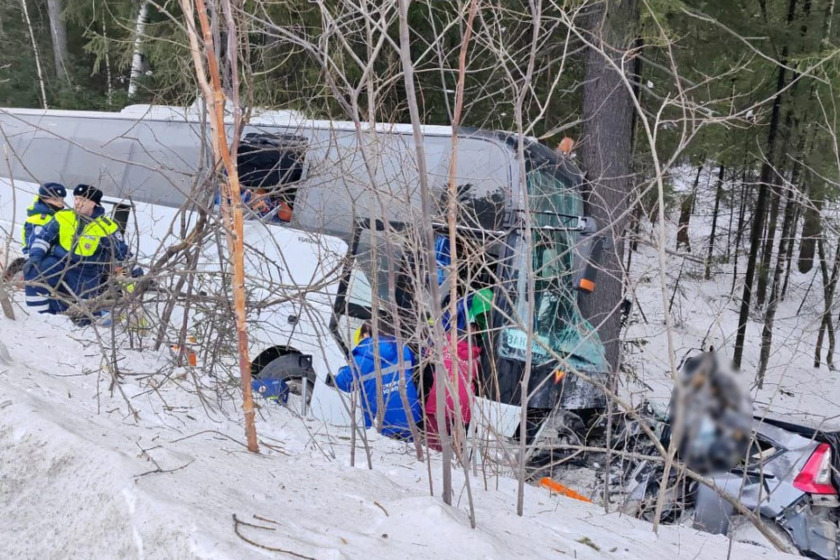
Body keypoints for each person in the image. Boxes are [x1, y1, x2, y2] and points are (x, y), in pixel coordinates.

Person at [25, 184, 129, 315]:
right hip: (59, 261)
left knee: (84, 314)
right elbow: (43, 237)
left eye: (83, 200)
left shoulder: (106, 226)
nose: (78, 203)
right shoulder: (63, 216)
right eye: (76, 199)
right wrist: (35, 256)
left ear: (93, 204)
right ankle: (37, 315)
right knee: (34, 270)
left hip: (86, 271)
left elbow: (121, 252)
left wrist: (136, 273)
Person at [334, 320, 422, 441]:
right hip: (410, 417)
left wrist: (341, 371)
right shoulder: (403, 349)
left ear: (365, 335)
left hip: (381, 423)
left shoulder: (360, 359)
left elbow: (343, 383)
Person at [424, 327, 482, 452]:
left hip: (438, 402)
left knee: (433, 451)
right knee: (457, 453)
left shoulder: (441, 346)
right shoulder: (477, 356)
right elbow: (479, 383)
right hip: (463, 409)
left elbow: (427, 373)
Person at [20, 183, 67, 312]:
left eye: (62, 199)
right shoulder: (40, 219)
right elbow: (35, 244)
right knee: (40, 290)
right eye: (55, 199)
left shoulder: (54, 216)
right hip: (39, 261)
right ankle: (40, 314)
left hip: (48, 260)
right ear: (44, 199)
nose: (60, 203)